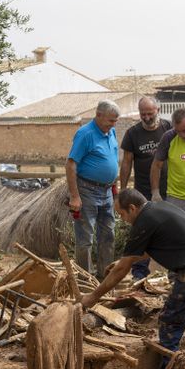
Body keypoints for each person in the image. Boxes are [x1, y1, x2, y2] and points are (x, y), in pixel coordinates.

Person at [80, 189, 185, 357]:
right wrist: (127, 260)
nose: (123, 219)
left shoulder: (144, 221)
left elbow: (121, 271)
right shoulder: (161, 207)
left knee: (170, 321)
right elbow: (159, 246)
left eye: (121, 214)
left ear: (132, 208)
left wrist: (93, 297)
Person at [66, 100, 120, 278]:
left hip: (107, 191)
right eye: (110, 120)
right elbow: (71, 164)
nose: (113, 124)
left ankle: (105, 277)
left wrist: (115, 190)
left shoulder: (110, 132)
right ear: (99, 115)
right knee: (85, 238)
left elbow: (113, 161)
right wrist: (75, 196)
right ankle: (85, 278)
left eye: (115, 120)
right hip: (87, 190)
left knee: (108, 234)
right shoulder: (85, 134)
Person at [120, 96, 171, 279]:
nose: (147, 118)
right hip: (142, 191)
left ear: (158, 109)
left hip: (169, 189)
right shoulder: (132, 133)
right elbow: (126, 163)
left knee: (168, 229)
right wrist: (123, 190)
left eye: (150, 113)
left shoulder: (169, 128)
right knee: (141, 231)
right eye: (143, 114)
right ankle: (139, 272)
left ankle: (171, 269)